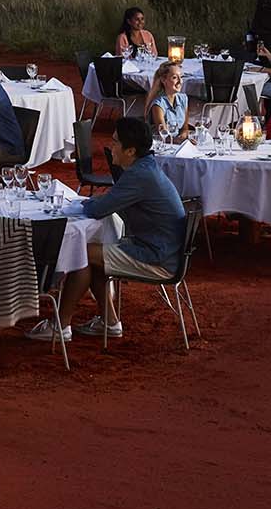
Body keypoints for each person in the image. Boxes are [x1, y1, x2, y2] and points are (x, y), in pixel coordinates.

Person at [30, 115, 185, 343]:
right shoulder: (145, 168)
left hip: (158, 257)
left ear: (130, 151)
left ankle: (60, 326)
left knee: (80, 252)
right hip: (164, 249)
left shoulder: (139, 175)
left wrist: (83, 202)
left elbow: (98, 209)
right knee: (94, 254)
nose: (110, 147)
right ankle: (110, 323)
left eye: (115, 142)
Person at [144, 59, 190, 140]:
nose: (180, 81)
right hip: (161, 145)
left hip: (177, 144)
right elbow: (164, 135)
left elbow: (185, 128)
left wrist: (183, 136)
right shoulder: (158, 104)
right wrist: (180, 141)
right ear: (163, 80)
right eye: (175, 77)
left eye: (181, 77)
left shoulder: (183, 99)